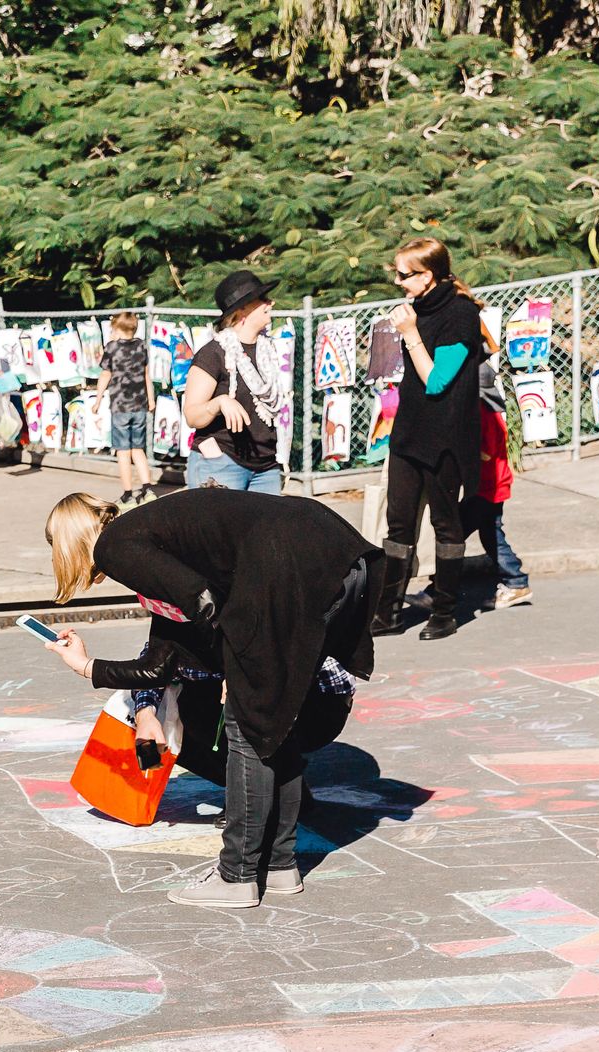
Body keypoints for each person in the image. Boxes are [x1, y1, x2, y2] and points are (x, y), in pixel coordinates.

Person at [43, 490, 375, 908]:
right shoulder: (150, 539)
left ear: (69, 539)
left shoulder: (115, 546)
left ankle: (237, 876)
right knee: (274, 718)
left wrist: (239, 665)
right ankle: (278, 865)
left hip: (299, 563)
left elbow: (205, 600)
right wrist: (87, 666)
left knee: (248, 722)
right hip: (337, 555)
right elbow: (160, 662)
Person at [379, 237, 487, 640]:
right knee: (399, 524)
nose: (398, 282)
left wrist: (410, 333)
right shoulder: (418, 307)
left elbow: (436, 381)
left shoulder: (460, 314)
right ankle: (388, 612)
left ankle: (445, 611)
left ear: (427, 276)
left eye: (404, 275)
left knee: (445, 523)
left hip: (445, 437)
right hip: (410, 432)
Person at [180, 270, 285, 493]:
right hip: (222, 463)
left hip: (266, 467)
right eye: (263, 298)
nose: (270, 303)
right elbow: (192, 415)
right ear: (242, 310)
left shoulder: (269, 351)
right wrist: (219, 403)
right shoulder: (214, 354)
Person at [472, 340, 531, 610]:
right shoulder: (492, 410)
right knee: (489, 532)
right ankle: (513, 576)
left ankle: (516, 580)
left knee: (485, 533)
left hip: (489, 486)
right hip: (493, 484)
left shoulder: (483, 413)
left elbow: (485, 453)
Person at [97, 311, 151, 506]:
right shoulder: (141, 346)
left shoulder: (111, 348)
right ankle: (147, 489)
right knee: (138, 449)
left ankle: (128, 494)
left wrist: (98, 399)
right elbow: (146, 375)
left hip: (120, 405)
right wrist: (151, 399)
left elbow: (106, 374)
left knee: (123, 451)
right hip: (140, 404)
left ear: (117, 329)